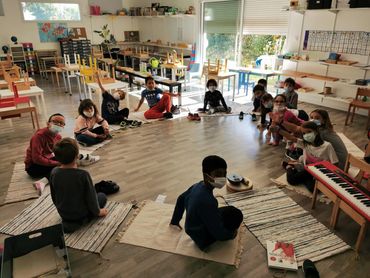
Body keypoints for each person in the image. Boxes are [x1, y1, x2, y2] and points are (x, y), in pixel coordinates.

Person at [170, 155, 243, 251]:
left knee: (232, 211)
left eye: (224, 174)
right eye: (218, 174)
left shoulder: (198, 185)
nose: (222, 178)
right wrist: (231, 235)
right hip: (200, 236)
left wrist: (175, 220)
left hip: (192, 226)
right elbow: (218, 233)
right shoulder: (208, 202)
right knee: (237, 216)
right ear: (206, 176)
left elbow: (181, 198)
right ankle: (205, 241)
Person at [50, 138, 108, 233]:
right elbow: (91, 198)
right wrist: (98, 212)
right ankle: (83, 220)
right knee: (102, 196)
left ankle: (72, 222)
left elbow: (54, 196)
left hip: (63, 213)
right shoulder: (83, 175)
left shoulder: (54, 172)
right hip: (81, 213)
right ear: (77, 156)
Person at [280, 109, 348, 169]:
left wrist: (281, 122)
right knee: (304, 154)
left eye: (317, 118)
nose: (313, 120)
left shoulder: (321, 133)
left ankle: (296, 166)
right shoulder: (324, 129)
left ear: (324, 120)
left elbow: (296, 129)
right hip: (341, 160)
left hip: (337, 164)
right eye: (311, 117)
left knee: (305, 154)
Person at [283, 121, 338, 192]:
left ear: (316, 132)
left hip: (320, 172)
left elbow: (335, 162)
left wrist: (329, 176)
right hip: (308, 170)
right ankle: (289, 167)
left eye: (309, 132)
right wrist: (278, 129)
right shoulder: (305, 144)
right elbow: (291, 138)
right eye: (304, 133)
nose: (306, 135)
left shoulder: (327, 146)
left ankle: (297, 170)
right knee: (291, 180)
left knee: (314, 189)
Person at [24, 113, 65, 193]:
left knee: (66, 160)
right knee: (62, 166)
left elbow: (58, 151)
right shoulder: (39, 136)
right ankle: (42, 182)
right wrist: (57, 163)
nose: (58, 125)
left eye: (61, 123)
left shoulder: (58, 136)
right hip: (33, 166)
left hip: (46, 158)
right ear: (48, 123)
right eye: (55, 122)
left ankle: (81, 158)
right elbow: (37, 159)